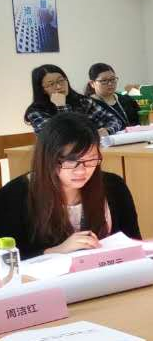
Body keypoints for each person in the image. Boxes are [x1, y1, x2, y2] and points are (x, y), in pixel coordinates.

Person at [0, 113, 140, 259]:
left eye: (91, 160)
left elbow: (134, 244)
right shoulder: (13, 196)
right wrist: (56, 251)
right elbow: (7, 261)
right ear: (48, 159)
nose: (81, 171)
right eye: (70, 161)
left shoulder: (114, 187)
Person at [24, 64, 124, 135]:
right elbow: (63, 135)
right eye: (51, 84)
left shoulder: (83, 102)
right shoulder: (36, 112)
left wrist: (107, 130)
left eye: (61, 81)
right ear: (42, 89)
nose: (59, 86)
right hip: (57, 155)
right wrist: (61, 107)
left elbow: (114, 120)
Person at [84, 63, 140, 129]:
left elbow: (140, 122)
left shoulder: (127, 99)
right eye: (104, 81)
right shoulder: (89, 105)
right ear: (92, 83)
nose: (110, 83)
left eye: (113, 79)